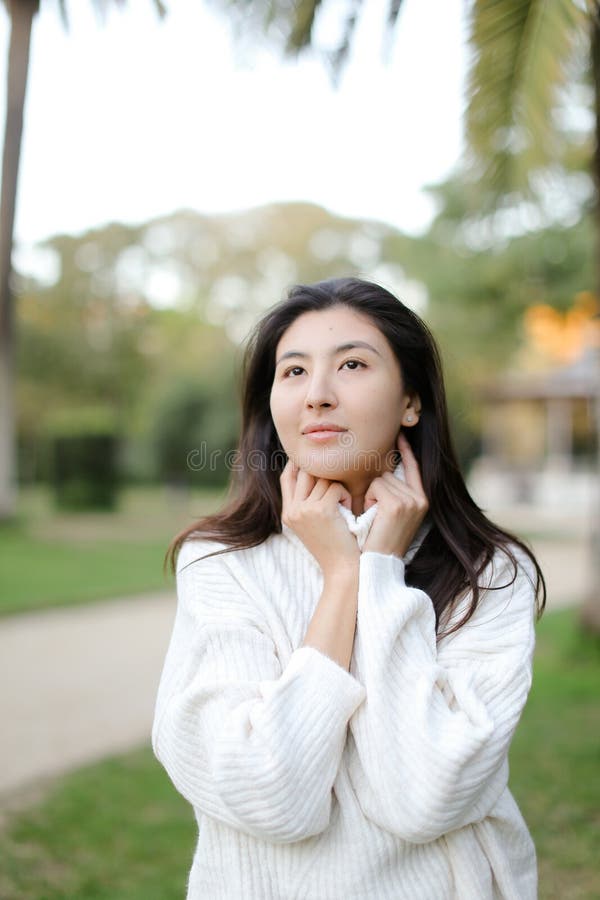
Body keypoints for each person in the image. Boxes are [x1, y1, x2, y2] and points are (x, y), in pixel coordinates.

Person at [152, 276, 546, 900]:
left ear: (411, 402)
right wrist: (342, 577)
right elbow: (270, 795)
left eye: (353, 365)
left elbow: (426, 798)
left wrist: (380, 572)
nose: (318, 396)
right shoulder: (221, 563)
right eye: (294, 372)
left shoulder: (491, 573)